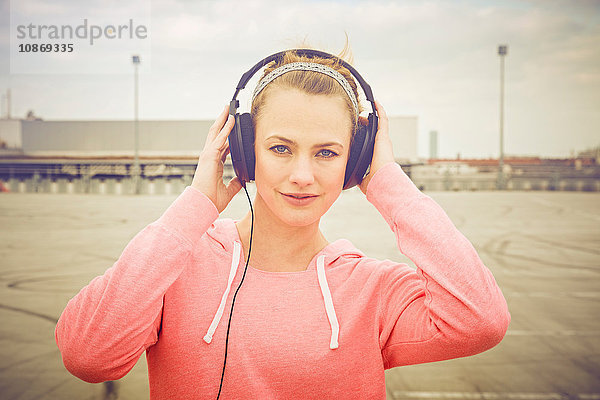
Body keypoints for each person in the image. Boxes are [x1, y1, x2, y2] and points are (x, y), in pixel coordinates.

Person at [55, 45, 511, 399]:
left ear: (356, 164)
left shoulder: (371, 290)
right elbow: (88, 356)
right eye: (280, 148)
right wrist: (194, 208)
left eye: (327, 153)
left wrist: (390, 186)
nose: (302, 176)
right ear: (243, 150)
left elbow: (481, 321)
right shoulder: (174, 270)